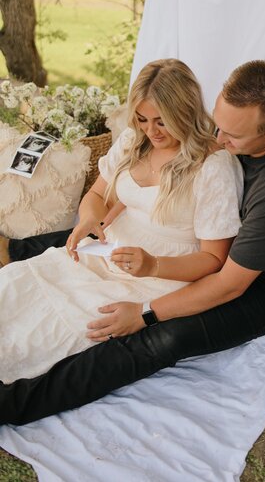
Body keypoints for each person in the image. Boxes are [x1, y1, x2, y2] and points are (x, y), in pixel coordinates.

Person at [0, 59, 265, 426]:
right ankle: (17, 255)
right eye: (218, 121)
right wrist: (105, 213)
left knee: (163, 337)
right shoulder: (242, 126)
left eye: (230, 136)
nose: (217, 138)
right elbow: (119, 197)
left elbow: (226, 280)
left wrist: (146, 312)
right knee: (93, 245)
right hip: (207, 245)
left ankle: (16, 403)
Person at [0, 58, 242, 383]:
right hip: (103, 254)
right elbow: (98, 197)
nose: (150, 131)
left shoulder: (213, 167)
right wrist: (88, 220)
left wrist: (153, 265)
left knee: (44, 334)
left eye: (162, 122)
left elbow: (214, 260)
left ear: (185, 112)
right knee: (12, 289)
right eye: (142, 119)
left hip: (157, 277)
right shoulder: (133, 141)